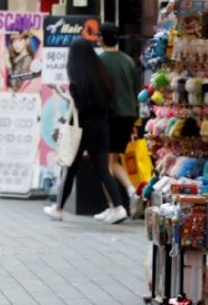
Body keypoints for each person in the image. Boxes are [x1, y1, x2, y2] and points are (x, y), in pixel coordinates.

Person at [43, 38, 128, 224]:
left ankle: (58, 208)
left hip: (80, 132)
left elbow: (80, 106)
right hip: (101, 129)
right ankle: (119, 207)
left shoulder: (78, 81)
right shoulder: (103, 75)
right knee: (104, 171)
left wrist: (62, 94)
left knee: (70, 169)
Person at [98, 22, 143, 218]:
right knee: (114, 160)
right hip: (128, 115)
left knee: (105, 164)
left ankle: (114, 206)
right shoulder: (129, 61)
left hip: (109, 116)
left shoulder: (99, 61)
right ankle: (131, 192)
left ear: (101, 38)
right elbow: (136, 92)